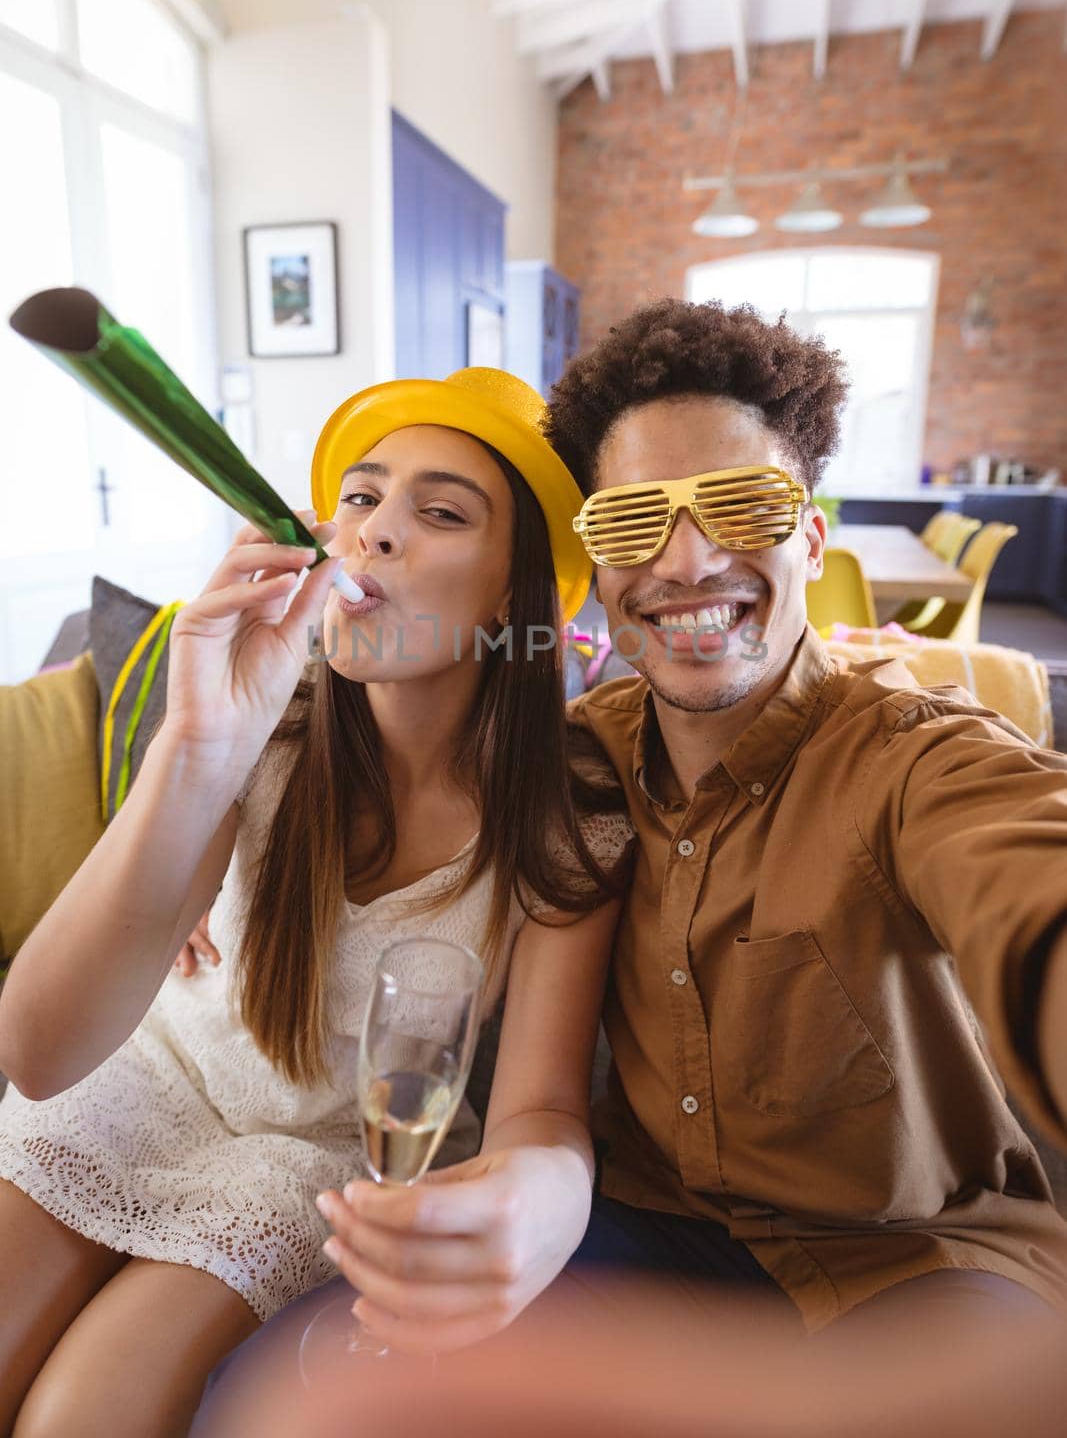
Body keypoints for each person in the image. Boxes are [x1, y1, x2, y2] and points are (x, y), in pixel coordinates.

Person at [307, 297, 1067, 1348]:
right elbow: (389, 746)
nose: (684, 560)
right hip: (645, 1239)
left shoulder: (914, 757)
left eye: (740, 506)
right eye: (630, 522)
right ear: (596, 575)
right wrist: (206, 861)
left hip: (917, 1263)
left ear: (808, 533)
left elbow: (1028, 874)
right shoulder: (575, 758)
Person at [0, 367, 633, 1437]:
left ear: (511, 597)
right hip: (143, 1082)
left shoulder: (567, 827)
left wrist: (535, 1210)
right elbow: (40, 1049)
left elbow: (539, 1110)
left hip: (320, 1157)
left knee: (80, 1415)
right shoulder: (261, 729)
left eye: (438, 513)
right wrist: (197, 747)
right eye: (360, 497)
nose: (374, 532)